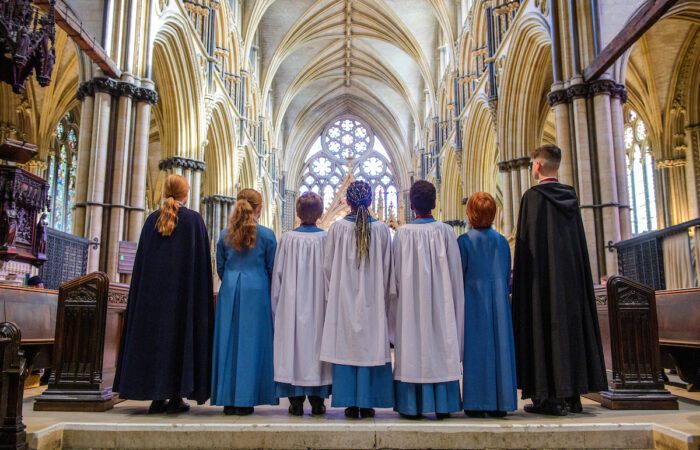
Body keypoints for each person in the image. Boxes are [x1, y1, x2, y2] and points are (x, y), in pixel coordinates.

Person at [511, 144, 607, 416]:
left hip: (541, 285)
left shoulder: (532, 198)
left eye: (532, 165)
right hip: (571, 284)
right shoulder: (571, 197)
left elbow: (525, 244)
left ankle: (548, 398)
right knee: (570, 332)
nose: (531, 169)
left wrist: (522, 284)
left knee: (544, 334)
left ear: (538, 165)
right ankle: (573, 395)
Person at [114, 174, 214, 414]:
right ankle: (176, 397)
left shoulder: (151, 221)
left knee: (157, 342)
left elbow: (140, 266)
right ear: (185, 193)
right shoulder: (193, 221)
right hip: (182, 302)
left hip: (153, 302)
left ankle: (156, 396)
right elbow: (202, 266)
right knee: (179, 342)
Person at [320, 180, 394, 419]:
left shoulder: (337, 229)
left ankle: (350, 403)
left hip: (344, 300)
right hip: (372, 300)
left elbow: (328, 267)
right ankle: (367, 401)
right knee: (369, 347)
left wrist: (336, 292)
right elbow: (388, 270)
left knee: (347, 347)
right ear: (370, 201)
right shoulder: (382, 229)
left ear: (347, 202)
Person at [391, 180, 464, 420]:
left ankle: (412, 405)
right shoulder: (446, 231)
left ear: (411, 205)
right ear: (435, 203)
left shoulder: (402, 234)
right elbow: (455, 274)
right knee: (440, 348)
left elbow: (396, 278)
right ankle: (443, 404)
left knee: (412, 348)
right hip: (441, 304)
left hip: (410, 306)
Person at [211, 188, 278, 415]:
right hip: (257, 290)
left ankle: (227, 399)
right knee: (251, 345)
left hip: (229, 289)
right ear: (259, 208)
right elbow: (273, 268)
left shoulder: (224, 235)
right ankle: (246, 399)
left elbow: (220, 266)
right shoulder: (267, 236)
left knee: (228, 342)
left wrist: (232, 279)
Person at [271, 192, 331, 416]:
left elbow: (277, 274)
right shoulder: (326, 238)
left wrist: (277, 307)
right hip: (319, 306)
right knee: (316, 350)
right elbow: (329, 275)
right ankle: (317, 401)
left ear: (297, 212)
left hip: (292, 304)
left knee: (293, 349)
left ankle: (295, 401)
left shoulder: (287, 239)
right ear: (320, 213)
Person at [458, 192, 517, 418]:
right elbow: (505, 272)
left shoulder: (463, 241)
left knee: (476, 350)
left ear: (470, 213)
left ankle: (476, 403)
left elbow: (459, 274)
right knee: (500, 348)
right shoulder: (502, 241)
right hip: (500, 302)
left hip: (473, 301)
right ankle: (501, 402)